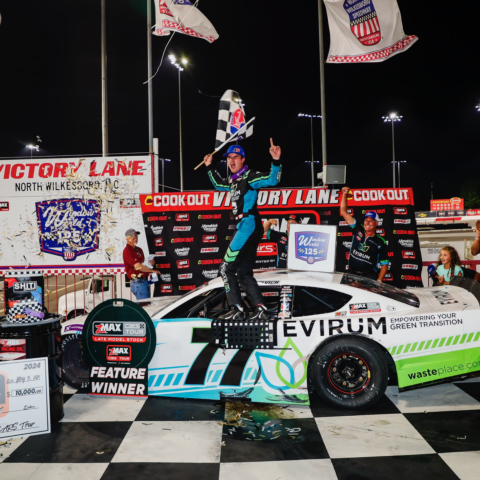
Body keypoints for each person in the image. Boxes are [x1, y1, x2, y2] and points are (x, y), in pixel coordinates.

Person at [204, 139, 282, 320]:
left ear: (243, 160)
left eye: (235, 157)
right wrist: (209, 167)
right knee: (244, 273)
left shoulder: (250, 176)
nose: (232, 160)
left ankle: (237, 309)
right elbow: (219, 184)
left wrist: (276, 161)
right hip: (248, 226)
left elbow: (272, 180)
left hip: (248, 225)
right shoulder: (232, 181)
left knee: (225, 268)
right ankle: (261, 309)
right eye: (229, 158)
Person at [340, 186, 389, 282]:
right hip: (351, 274)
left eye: (371, 221)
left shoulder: (380, 241)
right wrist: (345, 195)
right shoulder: (358, 228)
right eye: (366, 220)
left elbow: (385, 264)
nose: (367, 222)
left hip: (369, 276)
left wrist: (379, 281)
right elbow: (343, 212)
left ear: (376, 223)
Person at [123, 229, 159, 300]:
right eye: (133, 235)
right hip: (138, 282)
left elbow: (143, 265)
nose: (135, 237)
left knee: (147, 305)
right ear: (127, 238)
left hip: (144, 281)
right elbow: (138, 267)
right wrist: (152, 271)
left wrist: (150, 264)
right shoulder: (127, 251)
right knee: (144, 306)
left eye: (136, 235)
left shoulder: (139, 249)